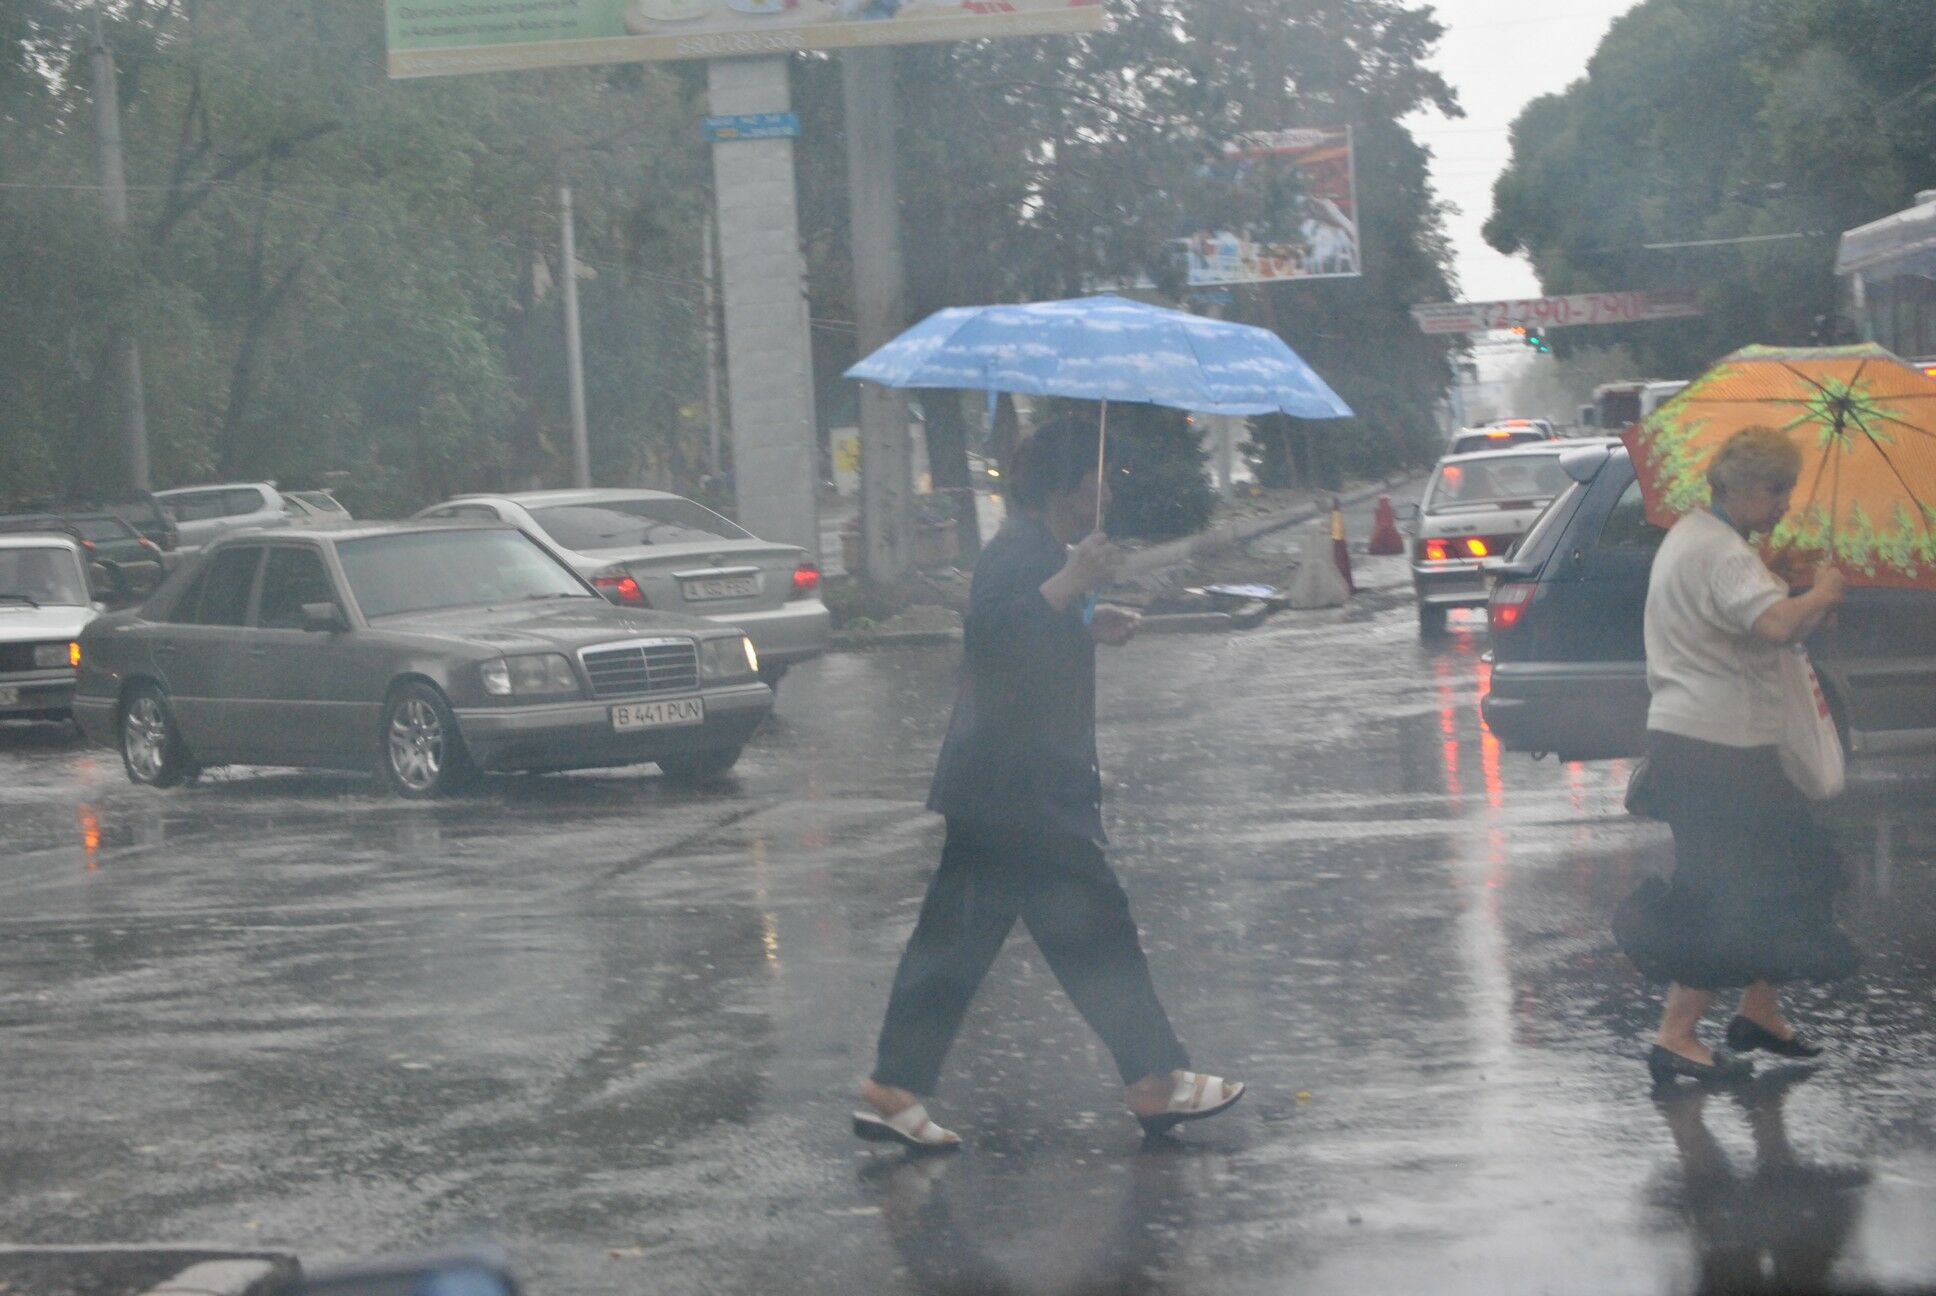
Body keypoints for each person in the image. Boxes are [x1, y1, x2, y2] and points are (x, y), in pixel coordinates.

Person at [853, 416, 1244, 1151]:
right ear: (1063, 486)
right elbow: (994, 636)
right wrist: (1072, 585)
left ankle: (893, 1089)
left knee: (961, 946)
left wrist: (1086, 620)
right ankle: (1154, 1079)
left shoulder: (1037, 550)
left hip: (1006, 790)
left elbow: (1028, 640)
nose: (1107, 493)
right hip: (1020, 791)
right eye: (1097, 480)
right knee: (1095, 935)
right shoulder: (1019, 551)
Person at [1617, 425, 1858, 1086]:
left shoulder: (1699, 539)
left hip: (1718, 747)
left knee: (1787, 868)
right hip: (1714, 751)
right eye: (1778, 490)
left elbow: (1750, 618)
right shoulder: (1722, 552)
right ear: (1745, 487)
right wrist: (1822, 593)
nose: (1785, 503)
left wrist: (1787, 584)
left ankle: (1759, 1011)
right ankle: (1676, 1035)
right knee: (1724, 889)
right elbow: (1775, 625)